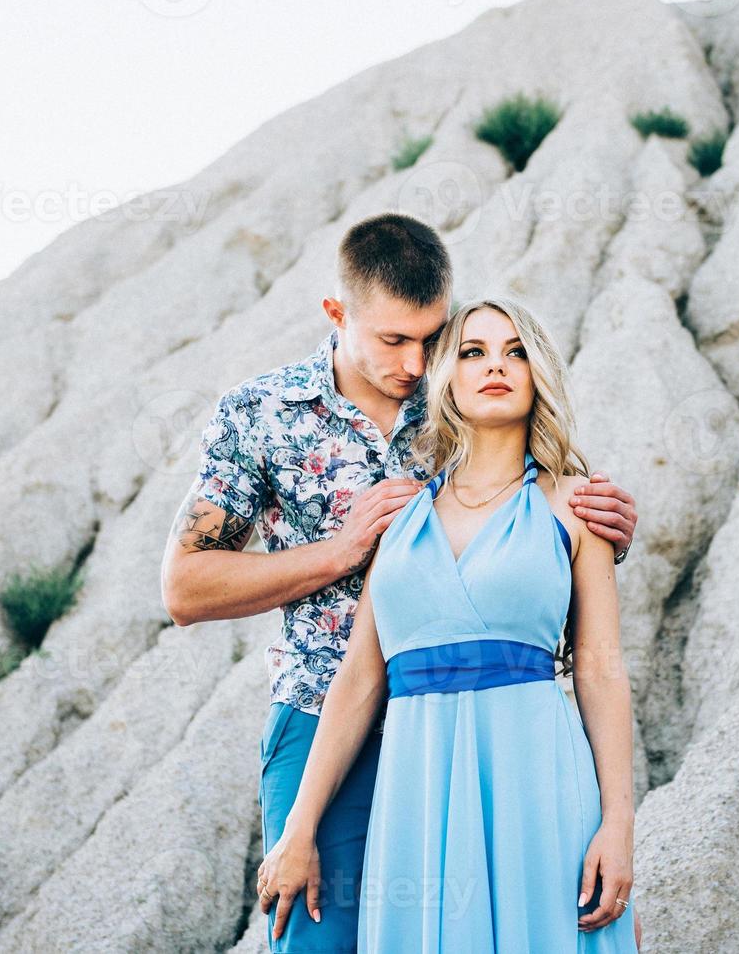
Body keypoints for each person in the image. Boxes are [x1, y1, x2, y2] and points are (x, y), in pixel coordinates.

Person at [159, 212, 641, 951]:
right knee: (314, 937)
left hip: (488, 725)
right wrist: (342, 550)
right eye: (393, 341)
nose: (417, 363)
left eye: (432, 338)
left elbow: (541, 538)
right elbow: (185, 588)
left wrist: (599, 530)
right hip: (328, 708)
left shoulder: (462, 388)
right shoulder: (260, 415)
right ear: (337, 315)